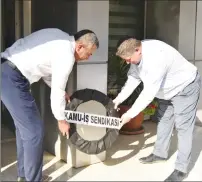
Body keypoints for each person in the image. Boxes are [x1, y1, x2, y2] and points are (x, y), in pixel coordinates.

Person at [1, 28, 99, 182]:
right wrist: (61, 120)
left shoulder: (59, 36)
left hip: (6, 71)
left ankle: (25, 175)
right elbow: (57, 92)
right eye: (89, 53)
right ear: (79, 47)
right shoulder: (67, 56)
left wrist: (60, 90)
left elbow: (47, 73)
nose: (88, 57)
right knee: (34, 132)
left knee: (25, 130)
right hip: (13, 78)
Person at [113, 37, 201, 181]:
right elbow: (133, 80)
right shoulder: (136, 55)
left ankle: (181, 169)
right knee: (164, 120)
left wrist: (130, 114)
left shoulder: (156, 57)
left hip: (185, 87)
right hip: (166, 90)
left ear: (138, 50)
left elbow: (148, 93)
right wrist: (118, 100)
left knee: (183, 127)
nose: (128, 62)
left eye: (128, 59)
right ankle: (160, 154)